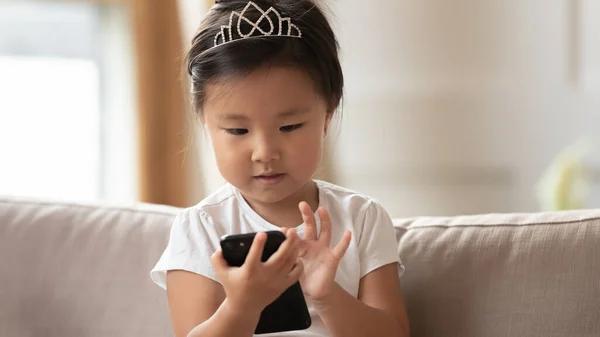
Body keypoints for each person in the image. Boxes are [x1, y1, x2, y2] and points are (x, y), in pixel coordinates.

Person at [150, 0, 410, 336]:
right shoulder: (201, 227)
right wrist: (242, 306)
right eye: (238, 131)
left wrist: (328, 296)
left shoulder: (361, 218)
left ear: (328, 113)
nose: (264, 153)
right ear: (204, 121)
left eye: (289, 127)